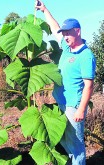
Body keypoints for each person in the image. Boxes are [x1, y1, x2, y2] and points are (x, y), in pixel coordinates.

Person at [35, 1, 96, 165]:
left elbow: (89, 86)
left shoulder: (86, 56)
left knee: (75, 145)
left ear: (77, 31)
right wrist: (44, 10)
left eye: (68, 33)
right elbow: (55, 28)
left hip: (73, 105)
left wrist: (81, 110)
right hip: (60, 102)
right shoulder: (67, 47)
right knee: (64, 140)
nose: (65, 36)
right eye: (64, 33)